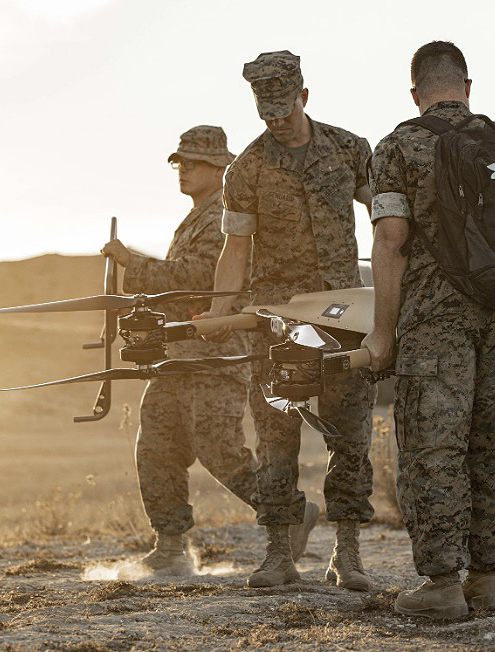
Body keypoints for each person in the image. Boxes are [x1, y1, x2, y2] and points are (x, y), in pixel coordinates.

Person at [363, 41, 495, 618]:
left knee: (436, 445)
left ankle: (441, 586)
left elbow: (390, 239)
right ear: (467, 87)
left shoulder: (399, 145)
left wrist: (383, 333)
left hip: (438, 319)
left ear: (416, 93)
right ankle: (489, 581)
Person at [100, 126, 316, 576]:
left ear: (220, 168)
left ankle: (292, 513)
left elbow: (197, 276)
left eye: (193, 162)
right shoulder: (196, 216)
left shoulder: (223, 214)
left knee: (220, 447)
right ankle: (171, 547)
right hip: (177, 356)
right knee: (156, 445)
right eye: (179, 162)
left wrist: (130, 263)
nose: (182, 170)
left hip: (218, 354)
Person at [201, 51, 376, 591]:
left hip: (344, 315)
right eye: (267, 111)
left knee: (350, 438)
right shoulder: (247, 167)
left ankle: (347, 555)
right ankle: (279, 554)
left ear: (305, 95)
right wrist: (218, 310)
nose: (277, 120)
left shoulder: (350, 150)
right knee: (276, 437)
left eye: (284, 107)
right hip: (277, 322)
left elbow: (386, 219)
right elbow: (236, 247)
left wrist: (397, 287)